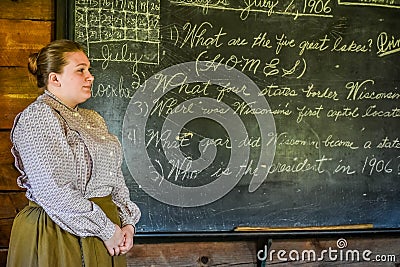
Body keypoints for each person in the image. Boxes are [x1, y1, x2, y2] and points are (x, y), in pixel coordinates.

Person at [6, 39, 141, 267]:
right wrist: (106, 229)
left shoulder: (93, 120)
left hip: (106, 234)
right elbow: (53, 190)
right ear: (54, 79)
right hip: (58, 234)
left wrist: (127, 223)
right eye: (80, 70)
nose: (90, 76)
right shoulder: (38, 118)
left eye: (89, 69)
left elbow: (115, 179)